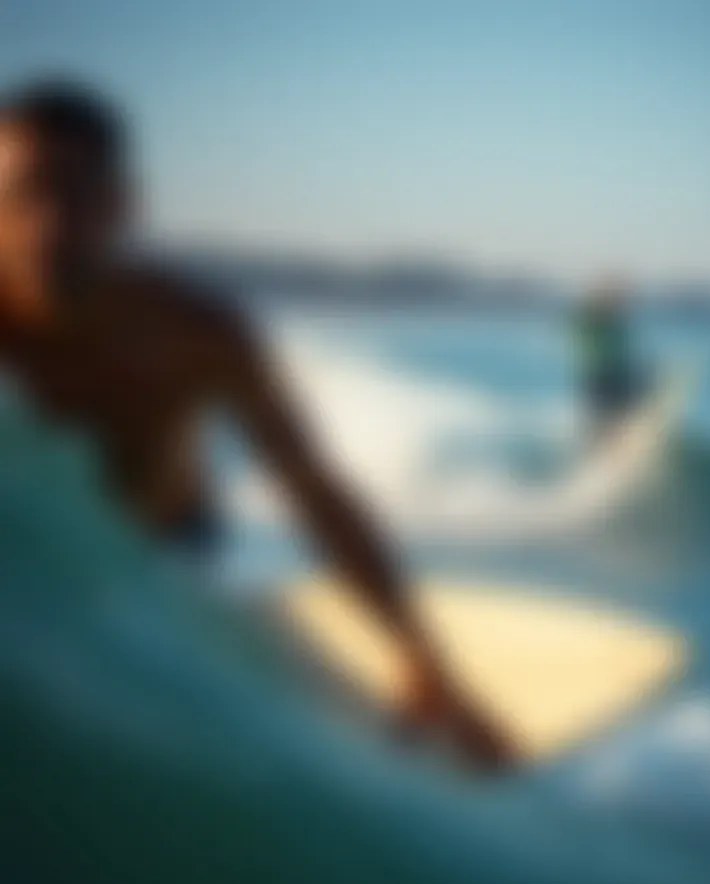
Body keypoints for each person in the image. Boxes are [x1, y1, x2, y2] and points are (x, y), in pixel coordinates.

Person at [0, 79, 510, 768]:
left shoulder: (198, 334)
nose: (48, 223)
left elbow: (314, 490)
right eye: (21, 194)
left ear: (125, 206)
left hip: (172, 551)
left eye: (76, 192)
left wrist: (422, 655)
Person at [573, 282, 635, 442]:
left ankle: (620, 435)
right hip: (601, 375)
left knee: (621, 408)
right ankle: (600, 442)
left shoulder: (615, 321)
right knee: (602, 413)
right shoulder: (591, 320)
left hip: (618, 373)